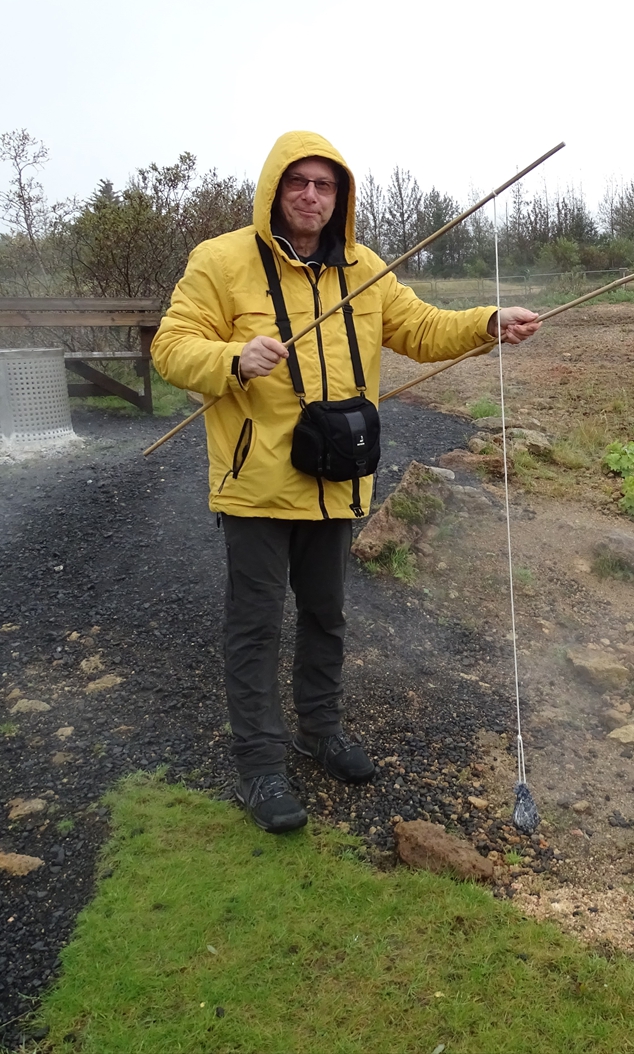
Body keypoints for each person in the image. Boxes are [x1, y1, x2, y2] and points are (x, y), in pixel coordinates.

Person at [152, 131, 541, 832]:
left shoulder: (363, 268)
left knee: (327, 616)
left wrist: (488, 321)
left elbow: (420, 329)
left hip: (335, 479)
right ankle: (262, 767)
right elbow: (171, 347)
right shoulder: (220, 261)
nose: (310, 195)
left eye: (323, 185)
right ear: (275, 188)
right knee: (255, 626)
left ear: (340, 197)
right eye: (298, 182)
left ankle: (320, 731)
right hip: (257, 484)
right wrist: (233, 357)